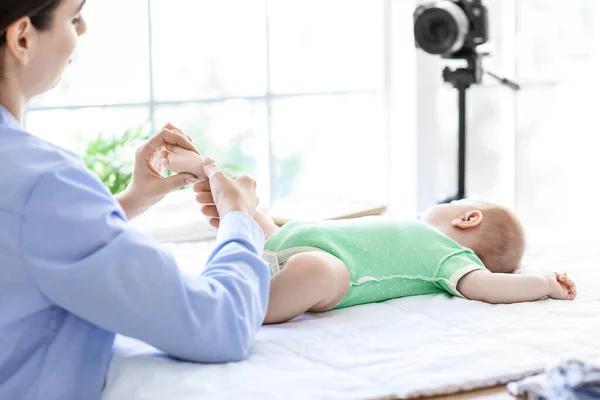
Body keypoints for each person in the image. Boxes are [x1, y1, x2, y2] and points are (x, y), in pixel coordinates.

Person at [0, 1, 270, 399]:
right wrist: (240, 218)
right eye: (73, 17)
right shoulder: (45, 182)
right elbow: (222, 323)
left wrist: (129, 201)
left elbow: (20, 245)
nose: (85, 27)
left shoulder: (30, 184)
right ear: (22, 37)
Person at [163, 146, 578, 325]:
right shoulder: (411, 224)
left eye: (461, 200)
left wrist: (542, 284)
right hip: (289, 236)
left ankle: (246, 303)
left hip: (333, 273)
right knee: (253, 201)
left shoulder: (451, 257)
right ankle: (208, 175)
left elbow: (484, 286)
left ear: (468, 219)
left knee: (318, 270)